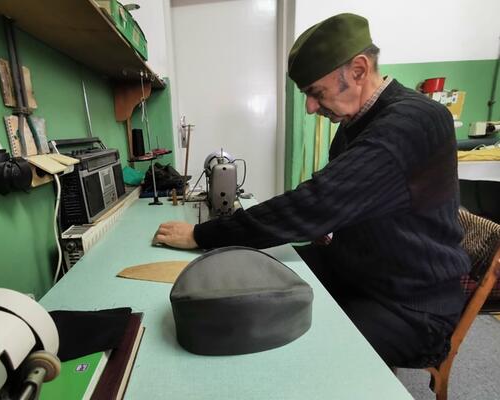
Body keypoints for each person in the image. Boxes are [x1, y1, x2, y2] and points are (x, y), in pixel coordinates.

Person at [153, 13, 469, 367]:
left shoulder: (414, 122)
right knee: (256, 272)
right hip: (356, 273)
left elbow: (316, 203)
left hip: (410, 307)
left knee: (288, 349)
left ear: (360, 70)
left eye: (316, 93)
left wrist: (202, 234)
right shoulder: (357, 122)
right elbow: (336, 205)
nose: (310, 107)